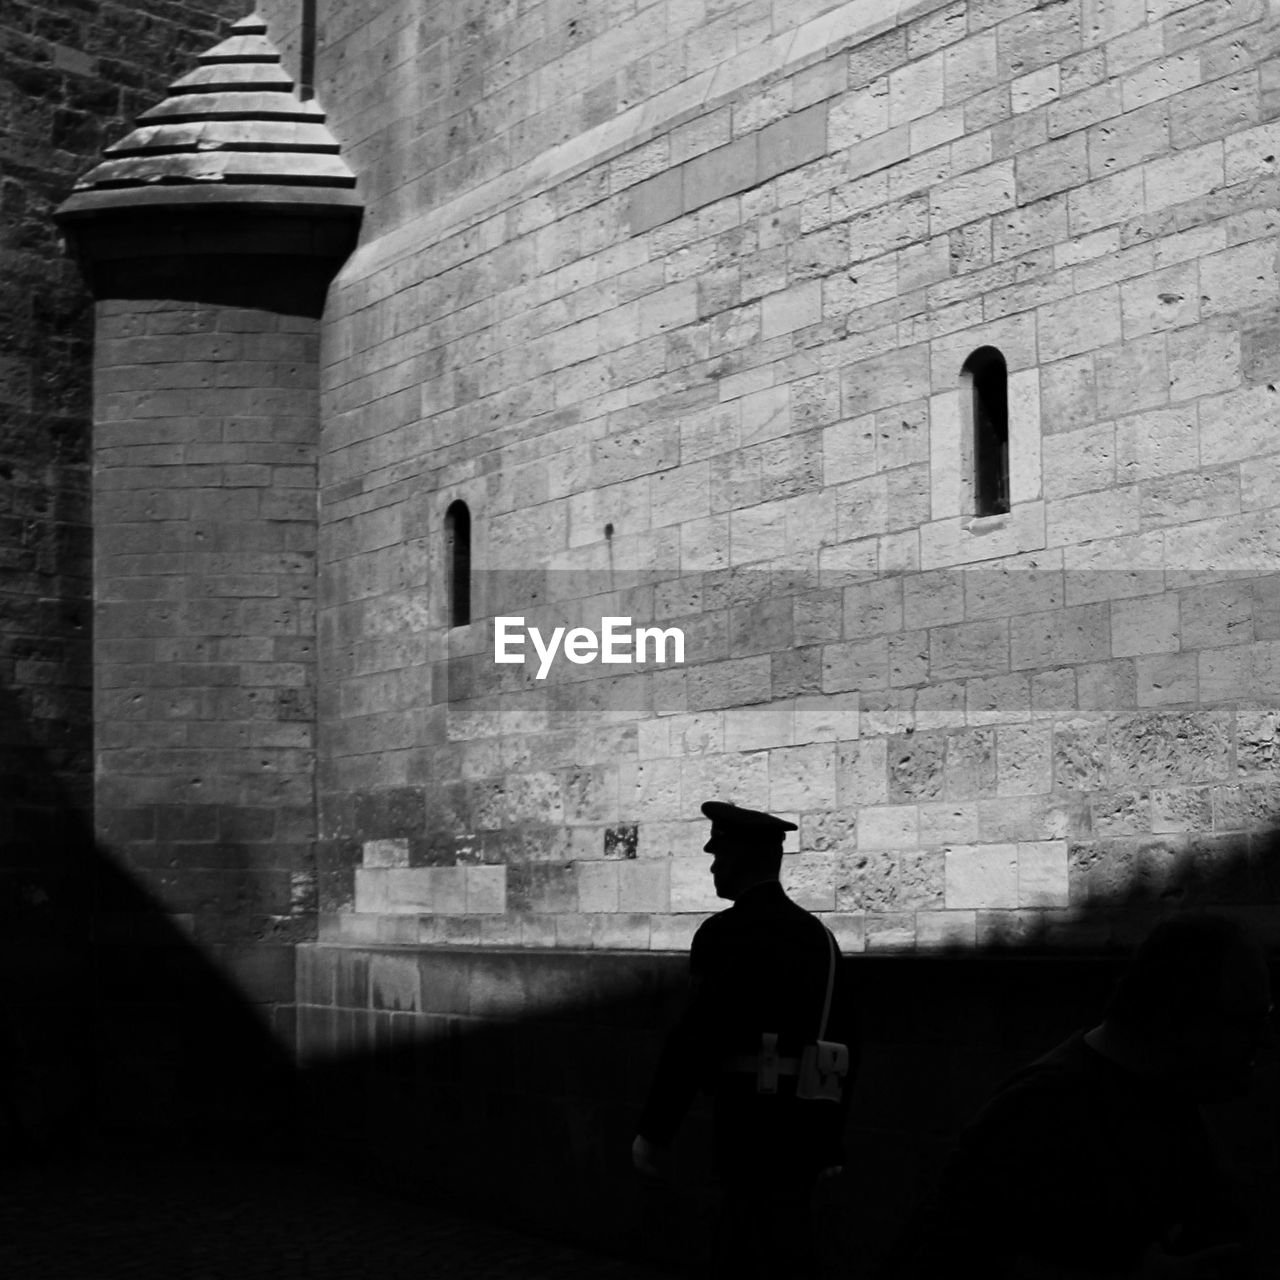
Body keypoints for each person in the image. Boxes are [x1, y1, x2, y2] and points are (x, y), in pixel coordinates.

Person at [897, 914, 1274, 1280]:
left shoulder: (1169, 1093)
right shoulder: (1037, 1112)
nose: (1258, 1045)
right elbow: (947, 1258)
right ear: (1185, 1015)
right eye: (1249, 1020)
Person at [632, 800, 857, 1279]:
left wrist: (655, 1130)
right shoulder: (820, 937)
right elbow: (843, 1044)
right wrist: (830, 1140)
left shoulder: (723, 934)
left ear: (739, 859)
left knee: (741, 1248)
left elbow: (694, 1037)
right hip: (803, 1131)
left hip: (746, 1126)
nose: (713, 866)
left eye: (718, 855)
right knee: (789, 1247)